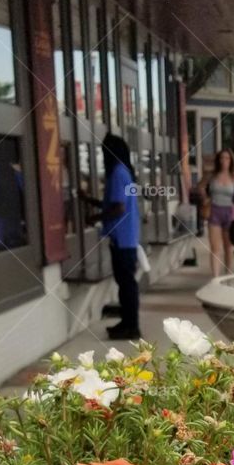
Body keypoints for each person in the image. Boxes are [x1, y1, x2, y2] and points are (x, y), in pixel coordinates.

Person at [93, 133, 140, 339]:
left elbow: (118, 208)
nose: (103, 156)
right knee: (125, 283)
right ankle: (127, 322)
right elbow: (114, 203)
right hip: (126, 236)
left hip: (122, 238)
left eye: (104, 151)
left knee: (126, 284)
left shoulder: (118, 173)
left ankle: (131, 327)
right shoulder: (124, 172)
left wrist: (94, 216)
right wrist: (91, 202)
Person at [204, 148, 234, 276]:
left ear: (231, 160)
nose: (224, 161)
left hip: (229, 212)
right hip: (215, 211)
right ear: (218, 160)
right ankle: (215, 277)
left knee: (228, 247)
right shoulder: (211, 176)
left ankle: (228, 273)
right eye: (222, 158)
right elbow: (201, 188)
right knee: (215, 247)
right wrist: (205, 200)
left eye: (227, 158)